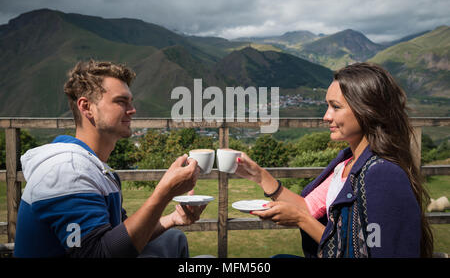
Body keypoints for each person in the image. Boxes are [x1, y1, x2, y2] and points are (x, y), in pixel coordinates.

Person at [235, 62, 433, 258]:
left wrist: (301, 220)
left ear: (367, 110)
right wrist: (260, 176)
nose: (326, 116)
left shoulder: (383, 174)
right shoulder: (346, 163)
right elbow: (308, 207)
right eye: (327, 106)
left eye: (335, 107)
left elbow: (372, 251)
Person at [14, 60, 205, 258]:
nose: (132, 109)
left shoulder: (95, 168)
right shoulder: (67, 172)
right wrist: (164, 193)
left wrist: (172, 218)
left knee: (173, 238)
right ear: (87, 107)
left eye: (130, 101)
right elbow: (97, 254)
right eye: (121, 101)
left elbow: (120, 236)